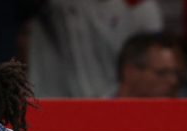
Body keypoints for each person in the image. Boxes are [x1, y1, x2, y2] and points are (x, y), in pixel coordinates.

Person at [26, 0, 164, 98]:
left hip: (112, 105)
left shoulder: (141, 7)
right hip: (53, 104)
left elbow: (155, 59)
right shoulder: (56, 4)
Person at [115, 32, 186, 98]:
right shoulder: (104, 109)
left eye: (177, 74)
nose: (173, 81)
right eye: (162, 73)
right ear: (130, 72)